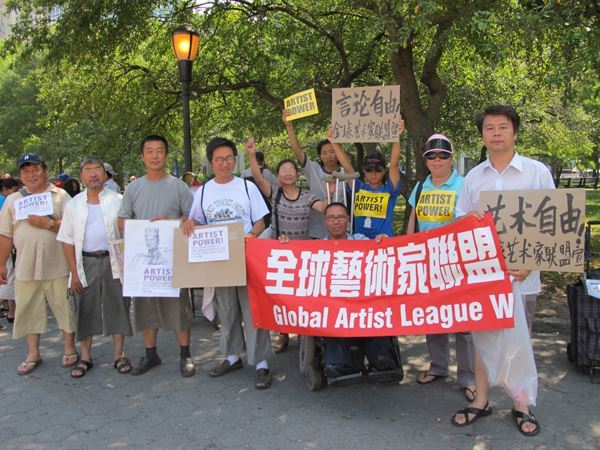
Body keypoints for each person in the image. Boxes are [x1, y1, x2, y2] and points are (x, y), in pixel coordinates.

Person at [451, 104, 554, 436]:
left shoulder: (537, 172)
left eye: (502, 127)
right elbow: (461, 220)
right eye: (489, 128)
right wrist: (470, 220)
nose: (496, 133)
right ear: (482, 135)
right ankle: (480, 400)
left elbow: (553, 223)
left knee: (520, 340)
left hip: (523, 276)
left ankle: (521, 405)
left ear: (515, 132)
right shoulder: (474, 177)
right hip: (484, 277)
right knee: (482, 339)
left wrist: (531, 262)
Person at [182, 137, 273, 389]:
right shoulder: (203, 191)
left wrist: (251, 235)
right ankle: (232, 357)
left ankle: (261, 363)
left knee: (252, 309)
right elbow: (197, 221)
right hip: (219, 260)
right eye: (219, 159)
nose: (224, 163)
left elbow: (261, 221)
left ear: (235, 160)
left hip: (246, 256)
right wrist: (190, 223)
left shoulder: (247, 187)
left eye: (229, 158)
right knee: (227, 309)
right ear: (211, 162)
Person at [294, 202, 400, 380]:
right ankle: (338, 362)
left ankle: (381, 356)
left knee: (377, 308)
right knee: (331, 313)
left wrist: (384, 241)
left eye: (340, 217)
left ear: (348, 220)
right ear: (325, 221)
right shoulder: (316, 247)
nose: (336, 221)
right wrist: (283, 244)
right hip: (333, 302)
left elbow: (382, 253)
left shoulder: (361, 241)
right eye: (331, 218)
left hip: (362, 298)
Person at [118, 135, 195, 377]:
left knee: (178, 308)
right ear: (142, 156)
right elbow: (122, 219)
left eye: (159, 150)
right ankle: (151, 354)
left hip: (173, 260)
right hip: (144, 262)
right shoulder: (133, 188)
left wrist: (171, 222)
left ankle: (185, 355)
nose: (154, 155)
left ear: (166, 155)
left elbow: (192, 218)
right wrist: (138, 229)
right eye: (149, 151)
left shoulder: (179, 186)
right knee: (146, 309)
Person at [406, 134, 476, 401]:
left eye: (443, 155)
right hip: (427, 261)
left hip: (458, 262)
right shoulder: (420, 187)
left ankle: (469, 376)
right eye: (432, 156)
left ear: (451, 158)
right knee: (434, 316)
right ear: (426, 160)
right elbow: (413, 221)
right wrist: (409, 251)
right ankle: (438, 366)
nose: (437, 160)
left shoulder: (465, 185)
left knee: (463, 323)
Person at [243, 137, 326, 353]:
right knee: (281, 296)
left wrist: (334, 189)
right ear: (278, 175)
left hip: (302, 254)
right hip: (279, 255)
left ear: (298, 175)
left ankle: (304, 334)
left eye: (291, 170)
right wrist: (251, 154)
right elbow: (258, 177)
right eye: (284, 170)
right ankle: (283, 334)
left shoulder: (307, 195)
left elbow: (324, 208)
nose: (288, 173)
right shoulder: (274, 193)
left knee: (301, 296)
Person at [0, 153, 77, 375]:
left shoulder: (60, 196)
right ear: (20, 175)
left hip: (58, 264)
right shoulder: (13, 200)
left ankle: (69, 348)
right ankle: (33, 353)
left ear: (45, 171)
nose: (31, 175)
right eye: (26, 171)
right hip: (26, 266)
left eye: (35, 170)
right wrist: (1, 263)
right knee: (28, 309)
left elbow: (74, 226)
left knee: (65, 308)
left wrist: (48, 224)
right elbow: (5, 235)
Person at [57, 157, 133, 378]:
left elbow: (130, 231)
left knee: (118, 306)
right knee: (85, 309)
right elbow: (67, 241)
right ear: (81, 176)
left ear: (104, 173)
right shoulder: (73, 205)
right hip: (85, 263)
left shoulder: (118, 200)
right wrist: (74, 272)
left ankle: (119, 354)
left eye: (97, 169)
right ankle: (85, 357)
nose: (93, 174)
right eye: (88, 170)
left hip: (114, 261)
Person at [330, 118, 404, 239]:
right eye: (369, 170)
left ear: (384, 171)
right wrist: (333, 141)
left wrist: (397, 137)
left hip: (383, 241)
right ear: (364, 171)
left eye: (377, 170)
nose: (373, 174)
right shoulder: (358, 188)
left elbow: (394, 165)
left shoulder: (389, 190)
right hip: (360, 243)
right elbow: (347, 167)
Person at [283, 110, 344, 239]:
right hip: (316, 231)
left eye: (332, 151)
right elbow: (298, 152)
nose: (329, 156)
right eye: (324, 153)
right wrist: (289, 126)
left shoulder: (346, 174)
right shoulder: (313, 169)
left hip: (340, 232)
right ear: (320, 156)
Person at [0, 178, 20, 325]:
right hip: (7, 244)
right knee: (9, 277)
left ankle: (13, 311)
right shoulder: (7, 201)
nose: (17, 193)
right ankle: (12, 311)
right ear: (5, 190)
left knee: (10, 277)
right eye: (14, 190)